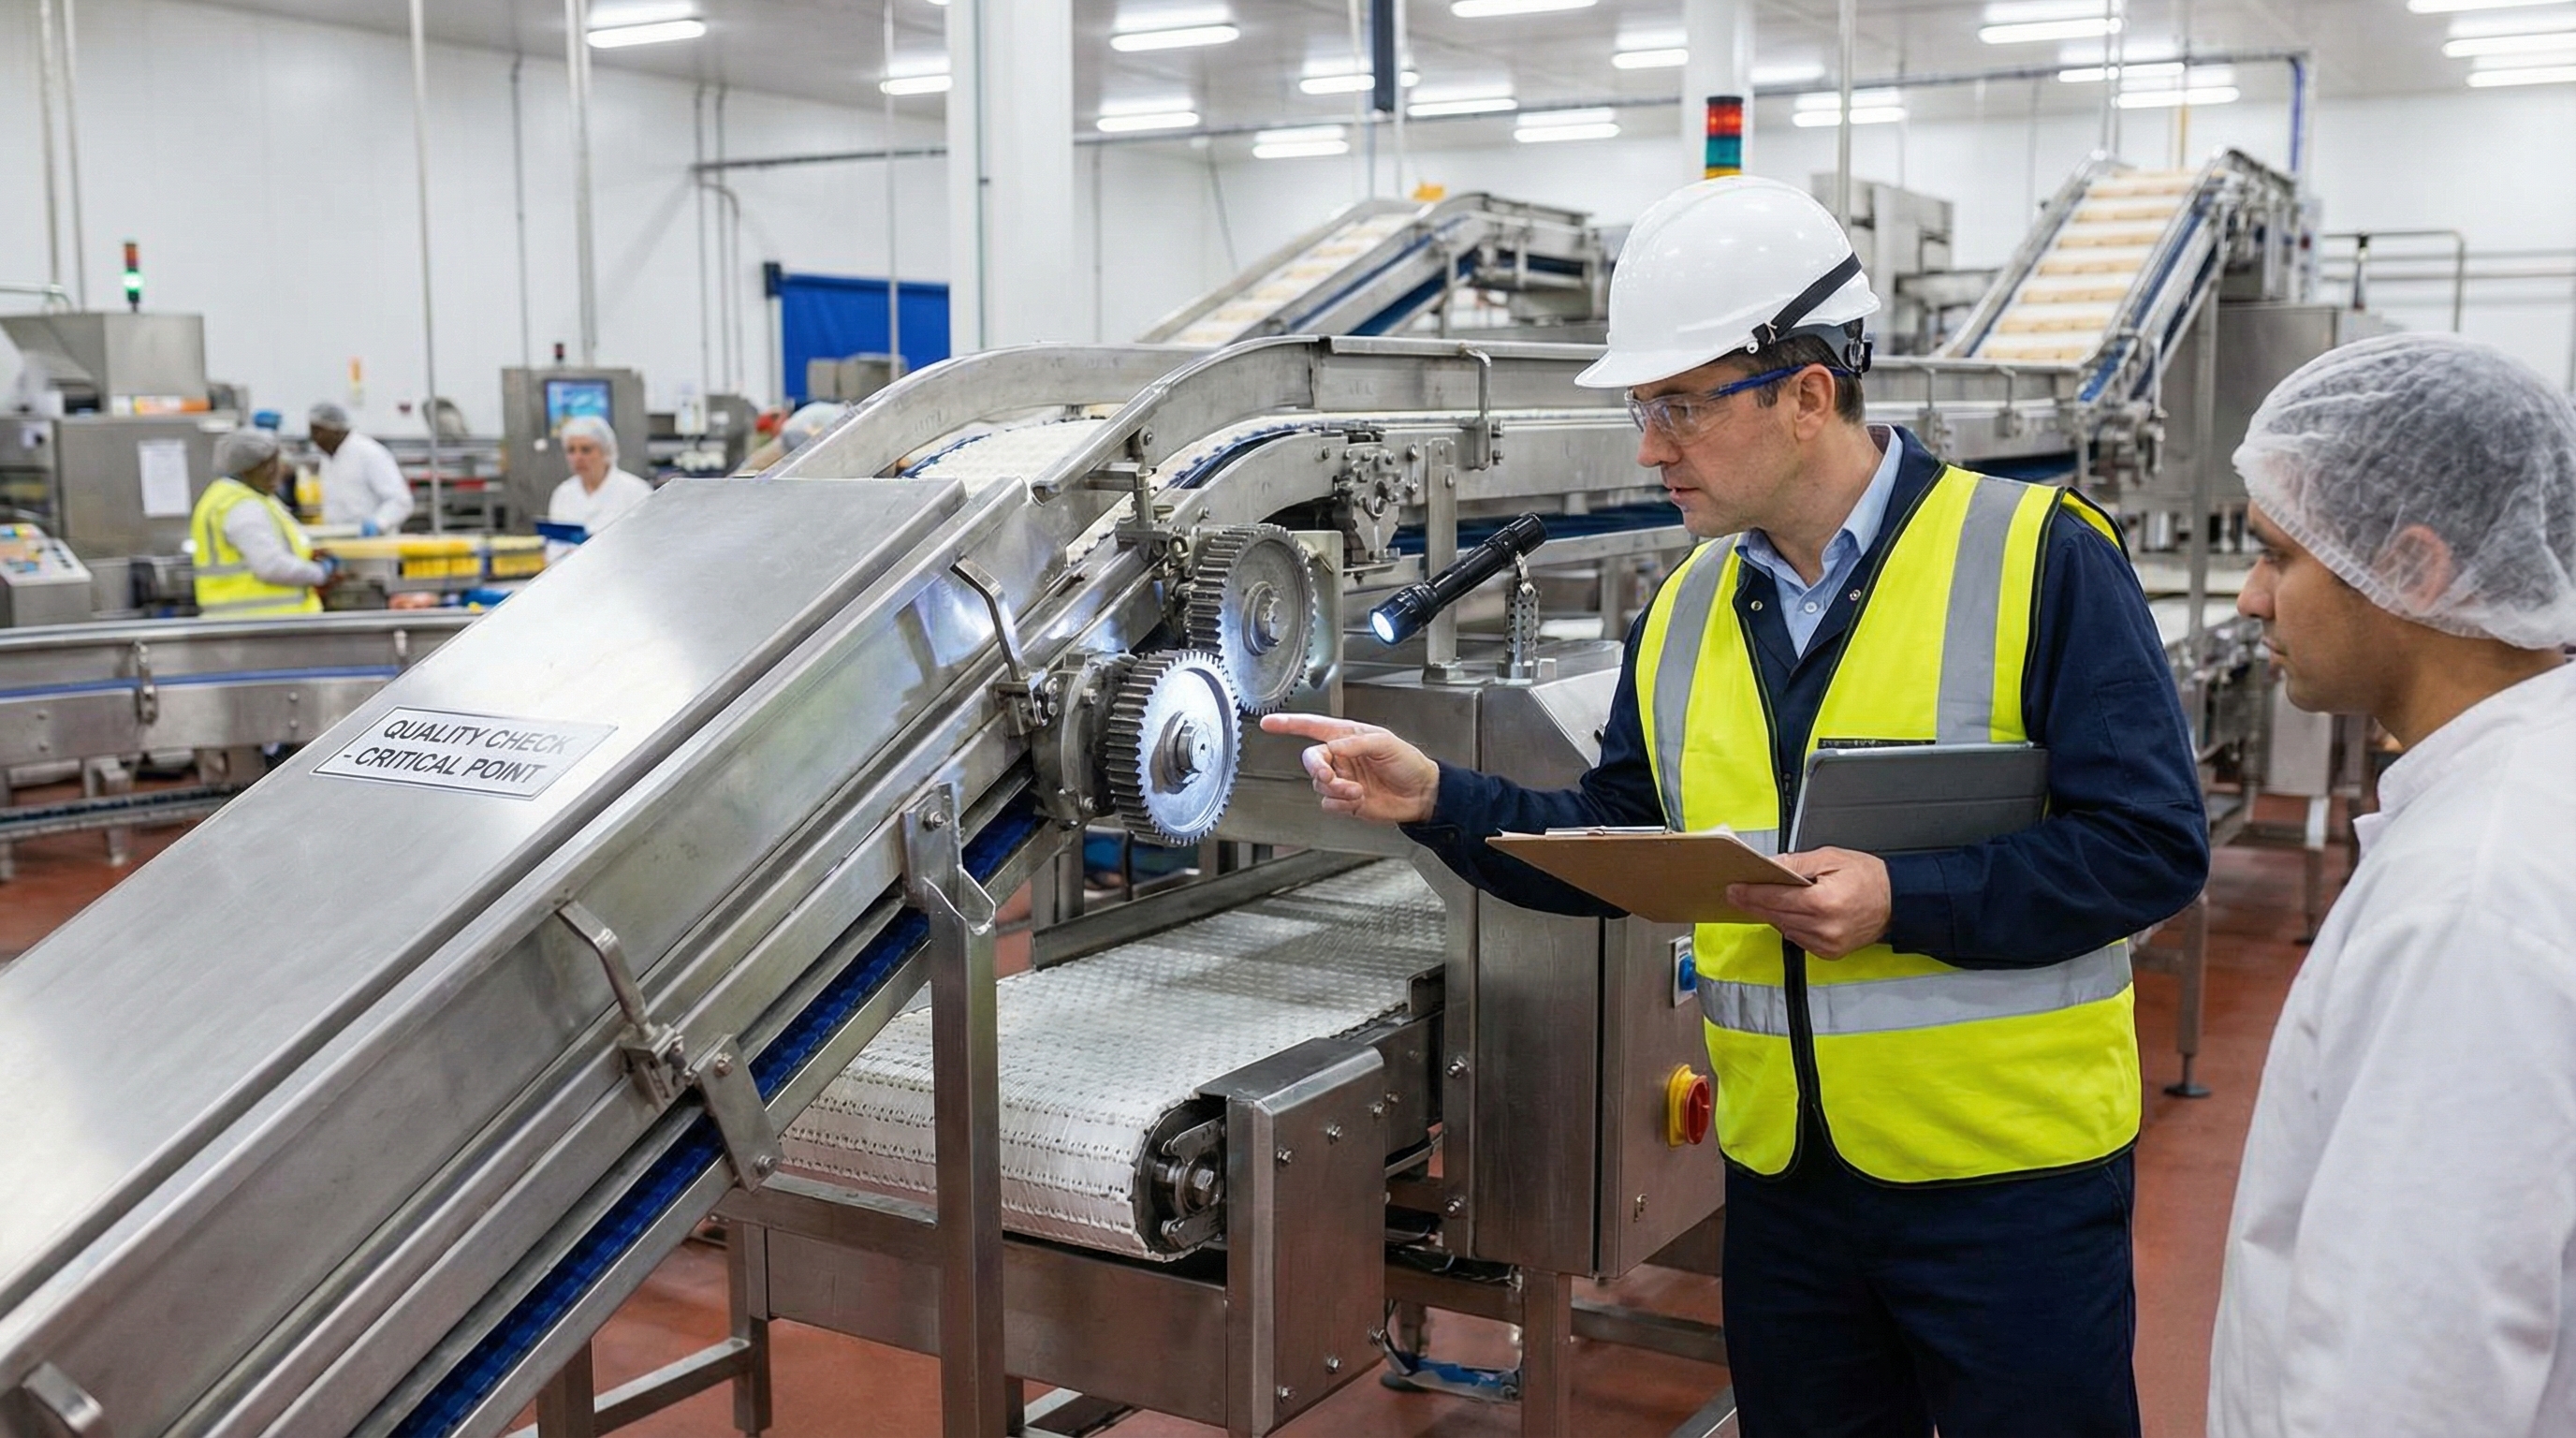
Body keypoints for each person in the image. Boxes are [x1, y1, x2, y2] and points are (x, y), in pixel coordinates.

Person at [1263, 175, 2210, 1436]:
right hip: (1784, 1186)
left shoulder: (2040, 558)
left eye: (1678, 407)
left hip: (2009, 1187)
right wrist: (1438, 797)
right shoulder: (1689, 608)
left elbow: (2150, 848)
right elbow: (1615, 838)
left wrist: (1900, 898)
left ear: (1808, 395)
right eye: (1646, 409)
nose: (1650, 446)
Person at [2208, 334, 2576, 1438]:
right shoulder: (2520, 790)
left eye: (2280, 555)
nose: (2247, 597)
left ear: (2411, 568)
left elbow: (2416, 1368)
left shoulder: (2469, 905)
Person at [190, 428, 337, 617]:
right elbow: (270, 566)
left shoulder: (244, 497)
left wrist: (306, 555)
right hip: (261, 624)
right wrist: (320, 573)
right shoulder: (241, 505)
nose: (279, 471)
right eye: (273, 464)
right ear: (254, 467)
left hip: (259, 624)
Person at [545, 415, 653, 563]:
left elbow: (648, 546)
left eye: (586, 450)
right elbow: (554, 546)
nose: (578, 457)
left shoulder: (636, 492)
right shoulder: (563, 494)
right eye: (571, 450)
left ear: (606, 451)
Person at [308, 401, 414, 536]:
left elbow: (400, 501)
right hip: (339, 541)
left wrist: (378, 523)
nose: (313, 439)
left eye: (318, 432)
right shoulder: (327, 458)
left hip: (375, 546)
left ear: (335, 430)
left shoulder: (369, 453)